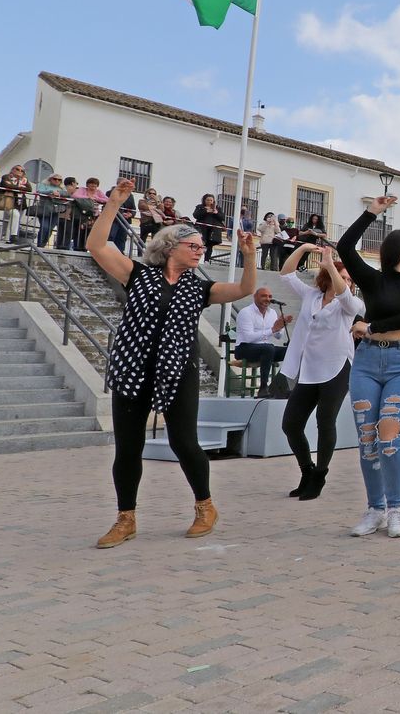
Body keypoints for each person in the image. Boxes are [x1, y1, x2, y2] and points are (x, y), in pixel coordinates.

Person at [89, 179, 256, 549]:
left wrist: (250, 257)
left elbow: (243, 290)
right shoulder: (138, 273)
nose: (200, 250)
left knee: (185, 442)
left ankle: (205, 506)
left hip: (179, 371)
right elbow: (98, 246)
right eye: (193, 245)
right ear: (169, 246)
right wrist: (114, 204)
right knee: (127, 449)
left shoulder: (200, 288)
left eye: (201, 246)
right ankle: (125, 518)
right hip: (133, 370)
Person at [337, 196, 400, 540]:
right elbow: (345, 247)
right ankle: (375, 509)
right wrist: (371, 213)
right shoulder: (374, 280)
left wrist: (373, 324)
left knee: (389, 435)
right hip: (366, 362)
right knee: (367, 438)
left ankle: (396, 508)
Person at [277, 243, 361, 500]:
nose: (345, 281)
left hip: (337, 368)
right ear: (326, 277)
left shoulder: (350, 303)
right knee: (290, 424)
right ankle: (307, 470)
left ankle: (320, 474)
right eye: (341, 276)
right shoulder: (311, 296)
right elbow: (286, 274)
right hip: (309, 369)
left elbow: (345, 295)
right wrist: (302, 248)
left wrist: (331, 265)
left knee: (325, 421)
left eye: (348, 279)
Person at [233, 287, 290, 392]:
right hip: (244, 348)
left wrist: (280, 326)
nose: (267, 299)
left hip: (266, 349)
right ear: (255, 297)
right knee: (268, 349)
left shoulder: (272, 313)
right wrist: (273, 329)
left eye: (269, 296)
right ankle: (263, 388)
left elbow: (278, 336)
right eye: (263, 296)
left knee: (291, 351)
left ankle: (283, 386)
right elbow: (249, 338)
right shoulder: (246, 312)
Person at [0, 164, 31, 242]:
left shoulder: (24, 180)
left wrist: (14, 187)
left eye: (22, 170)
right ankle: (13, 235)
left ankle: (7, 239)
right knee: (14, 215)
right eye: (17, 169)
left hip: (20, 203)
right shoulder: (6, 176)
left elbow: (29, 189)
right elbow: (6, 185)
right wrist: (20, 188)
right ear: (12, 169)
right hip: (9, 201)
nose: (19, 171)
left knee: (14, 220)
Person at [32, 174, 67, 249]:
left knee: (50, 229)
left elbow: (67, 194)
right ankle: (39, 245)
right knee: (44, 227)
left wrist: (59, 193)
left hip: (56, 210)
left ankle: (43, 244)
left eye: (59, 180)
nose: (57, 181)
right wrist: (51, 191)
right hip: (44, 209)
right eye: (55, 179)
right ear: (50, 179)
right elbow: (39, 191)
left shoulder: (62, 188)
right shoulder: (43, 184)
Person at [192, 194, 224, 261]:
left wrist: (216, 213)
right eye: (208, 200)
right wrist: (206, 211)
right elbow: (195, 215)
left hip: (212, 230)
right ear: (204, 200)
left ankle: (207, 260)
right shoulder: (200, 207)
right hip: (202, 229)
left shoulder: (217, 208)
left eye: (211, 200)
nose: (209, 201)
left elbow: (222, 218)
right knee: (199, 243)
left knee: (209, 246)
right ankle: (195, 259)